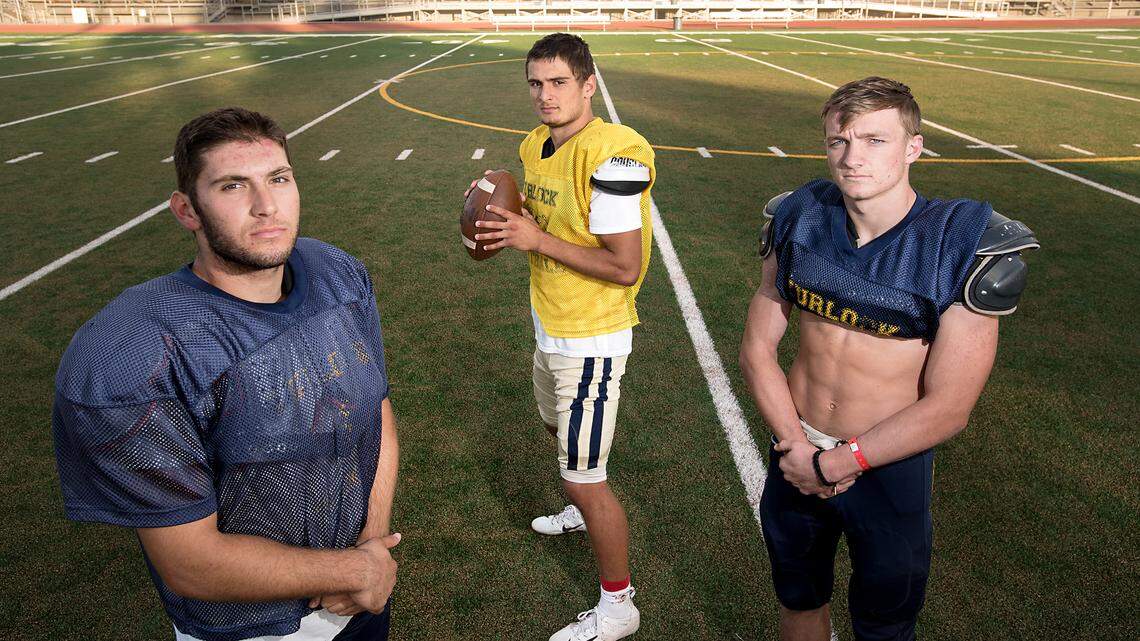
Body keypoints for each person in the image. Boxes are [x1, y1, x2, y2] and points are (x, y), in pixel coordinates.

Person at [52, 107, 401, 641]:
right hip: (249, 628)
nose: (266, 206)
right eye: (233, 185)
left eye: (278, 179)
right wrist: (352, 572)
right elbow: (191, 562)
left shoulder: (337, 274)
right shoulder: (136, 350)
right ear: (186, 210)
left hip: (359, 596)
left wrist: (371, 545)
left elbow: (375, 413)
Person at [739, 77, 1039, 641]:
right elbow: (758, 348)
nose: (852, 158)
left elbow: (949, 407)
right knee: (798, 599)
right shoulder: (800, 216)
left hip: (885, 463)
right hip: (795, 447)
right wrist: (797, 447)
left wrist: (838, 463)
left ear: (913, 147)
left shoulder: (959, 243)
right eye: (839, 141)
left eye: (875, 140)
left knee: (885, 624)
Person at [467, 32, 655, 641]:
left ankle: (618, 607)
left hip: (592, 336)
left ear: (588, 85)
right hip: (550, 322)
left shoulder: (616, 154)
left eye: (559, 83)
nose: (545, 95)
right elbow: (543, 213)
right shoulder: (535, 144)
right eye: (536, 83)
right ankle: (579, 507)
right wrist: (506, 213)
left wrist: (536, 239)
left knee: (583, 475)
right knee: (556, 429)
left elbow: (625, 266)